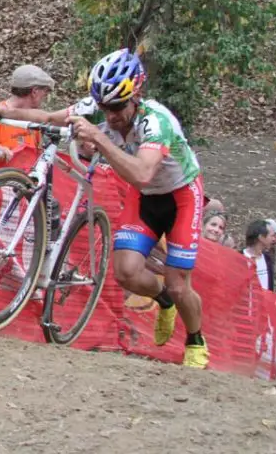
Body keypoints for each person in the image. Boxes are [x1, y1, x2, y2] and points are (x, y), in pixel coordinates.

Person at [56, 49, 209, 368]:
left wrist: (99, 137)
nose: (110, 115)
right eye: (103, 108)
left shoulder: (157, 121)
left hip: (181, 195)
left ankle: (195, 340)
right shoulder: (98, 109)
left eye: (117, 107)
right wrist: (0, 112)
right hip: (146, 196)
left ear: (135, 96)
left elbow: (141, 172)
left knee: (179, 285)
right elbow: (48, 117)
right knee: (125, 272)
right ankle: (162, 300)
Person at [241, 219, 276, 291]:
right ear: (261, 238)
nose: (274, 239)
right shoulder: (238, 257)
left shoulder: (267, 259)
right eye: (271, 236)